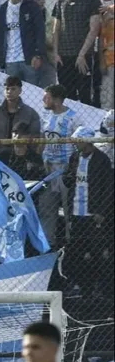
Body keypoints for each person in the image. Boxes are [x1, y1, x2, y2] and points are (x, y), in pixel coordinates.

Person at [64, 126, 114, 298]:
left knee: (97, 252)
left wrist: (101, 211)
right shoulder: (74, 158)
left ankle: (101, 289)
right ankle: (83, 288)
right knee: (78, 251)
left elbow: (108, 188)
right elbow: (67, 180)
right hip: (77, 213)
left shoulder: (101, 159)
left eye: (78, 141)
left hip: (93, 215)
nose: (76, 144)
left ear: (87, 141)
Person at [53, 0, 102, 105]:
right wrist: (56, 53)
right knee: (66, 96)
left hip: (83, 57)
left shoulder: (91, 0)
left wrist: (82, 54)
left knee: (85, 95)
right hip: (64, 57)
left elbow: (94, 29)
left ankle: (86, 127)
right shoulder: (61, 1)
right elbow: (56, 29)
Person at [40, 83, 80, 244]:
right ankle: (47, 244)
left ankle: (72, 244)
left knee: (69, 209)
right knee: (46, 209)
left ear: (56, 100)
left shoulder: (73, 117)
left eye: (47, 97)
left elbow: (80, 144)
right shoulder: (46, 117)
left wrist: (73, 168)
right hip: (48, 170)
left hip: (66, 170)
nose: (43, 99)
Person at [0, 0, 46, 86]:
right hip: (10, 60)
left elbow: (40, 31)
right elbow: (0, 35)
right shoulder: (4, 8)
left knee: (33, 93)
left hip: (29, 59)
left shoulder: (32, 6)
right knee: (12, 92)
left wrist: (38, 55)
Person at [0, 76, 42, 160]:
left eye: (13, 89)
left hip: (22, 158)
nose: (9, 92)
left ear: (20, 91)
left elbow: (36, 137)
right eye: (7, 89)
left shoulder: (31, 113)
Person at [94, 0, 115, 109]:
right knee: (106, 95)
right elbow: (99, 36)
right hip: (105, 56)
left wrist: (109, 9)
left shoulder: (110, 5)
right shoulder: (95, 4)